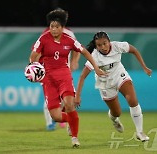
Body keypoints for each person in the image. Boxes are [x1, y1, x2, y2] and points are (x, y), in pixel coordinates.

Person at [29, 9, 105, 147]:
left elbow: (85, 52)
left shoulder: (69, 40)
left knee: (69, 104)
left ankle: (75, 138)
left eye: (57, 26)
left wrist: (96, 67)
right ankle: (71, 120)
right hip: (48, 79)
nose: (54, 29)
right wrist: (32, 67)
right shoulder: (43, 38)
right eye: (51, 26)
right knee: (56, 116)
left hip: (64, 75)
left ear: (62, 27)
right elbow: (34, 54)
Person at [75, 31, 152, 142]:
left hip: (119, 74)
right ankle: (114, 119)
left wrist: (144, 67)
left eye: (105, 43)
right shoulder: (94, 56)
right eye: (99, 45)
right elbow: (82, 76)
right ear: (96, 46)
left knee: (132, 100)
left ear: (109, 41)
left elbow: (134, 50)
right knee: (116, 112)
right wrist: (77, 96)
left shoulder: (117, 46)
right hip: (104, 82)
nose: (103, 47)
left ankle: (140, 132)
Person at [37, 26, 80, 131]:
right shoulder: (46, 33)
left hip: (64, 70)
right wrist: (37, 67)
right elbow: (38, 51)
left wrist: (74, 61)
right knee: (50, 99)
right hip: (48, 72)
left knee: (67, 99)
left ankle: (69, 120)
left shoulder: (69, 33)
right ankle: (50, 123)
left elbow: (77, 49)